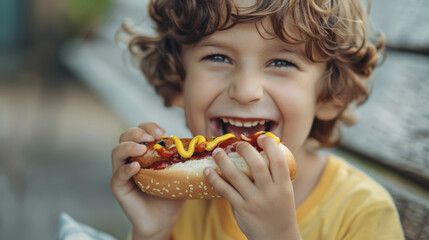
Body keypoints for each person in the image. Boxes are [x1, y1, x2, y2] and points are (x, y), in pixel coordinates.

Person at [111, 0, 404, 239]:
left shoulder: (363, 212)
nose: (245, 91)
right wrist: (154, 233)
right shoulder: (178, 201)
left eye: (281, 62)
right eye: (218, 57)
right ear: (179, 82)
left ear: (328, 95)